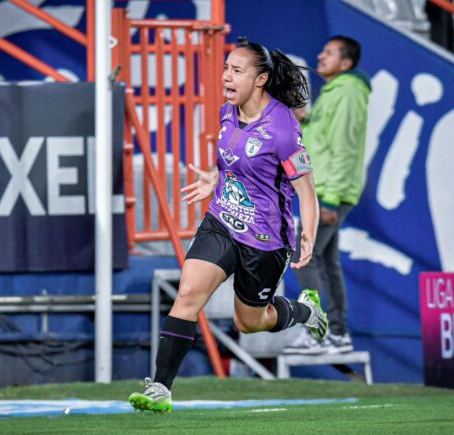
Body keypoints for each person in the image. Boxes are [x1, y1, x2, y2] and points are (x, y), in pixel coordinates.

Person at [129, 37, 328, 414]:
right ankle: (160, 388)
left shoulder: (283, 129)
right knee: (187, 293)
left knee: (250, 322)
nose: (226, 77)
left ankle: (305, 312)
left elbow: (306, 190)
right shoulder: (226, 114)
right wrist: (213, 181)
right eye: (226, 68)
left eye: (237, 70)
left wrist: (308, 234)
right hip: (221, 220)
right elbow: (232, 167)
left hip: (265, 239)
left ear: (261, 79)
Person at [285, 35, 371, 355]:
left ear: (345, 63)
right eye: (322, 50)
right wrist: (305, 119)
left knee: (304, 256)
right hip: (323, 189)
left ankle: (317, 331)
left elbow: (344, 149)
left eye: (329, 53)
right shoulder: (336, 90)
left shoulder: (347, 92)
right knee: (328, 261)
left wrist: (331, 199)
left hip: (330, 192)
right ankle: (337, 334)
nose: (320, 56)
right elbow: (324, 138)